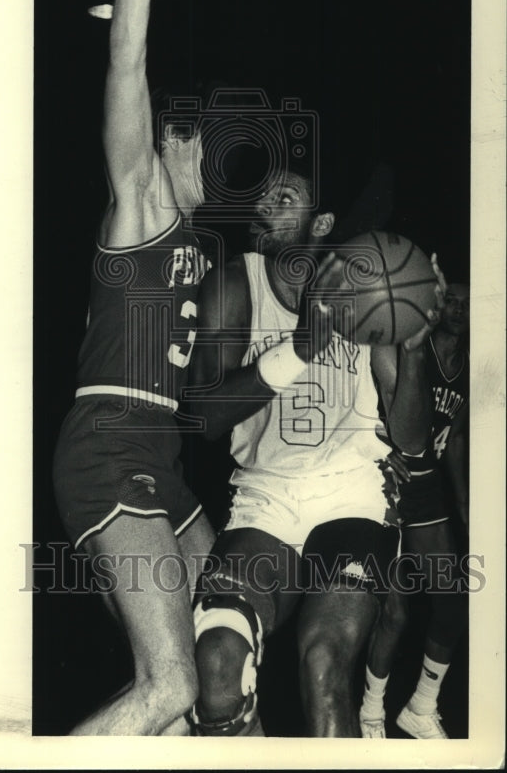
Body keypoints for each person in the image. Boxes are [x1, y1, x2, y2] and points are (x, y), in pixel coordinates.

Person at [52, 0, 215, 736]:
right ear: (156, 149)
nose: (194, 144)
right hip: (112, 444)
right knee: (171, 690)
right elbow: (126, 57)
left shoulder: (190, 237)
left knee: (198, 681)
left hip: (156, 455)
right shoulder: (138, 205)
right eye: (180, 133)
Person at [184, 169, 444, 737]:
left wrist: (416, 350)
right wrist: (302, 347)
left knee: (324, 664)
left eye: (286, 196)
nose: (265, 203)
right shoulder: (233, 285)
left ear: (321, 224)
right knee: (217, 662)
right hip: (265, 494)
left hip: (352, 491)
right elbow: (202, 418)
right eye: (262, 195)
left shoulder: (369, 284)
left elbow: (410, 438)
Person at [359, 282, 469, 739]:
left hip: (425, 486)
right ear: (434, 303)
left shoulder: (469, 367)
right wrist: (378, 450)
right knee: (396, 614)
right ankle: (370, 716)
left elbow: (454, 440)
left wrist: (463, 504)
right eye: (451, 300)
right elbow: (378, 407)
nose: (458, 310)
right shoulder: (406, 345)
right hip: (386, 474)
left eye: (467, 302)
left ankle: (421, 708)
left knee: (452, 598)